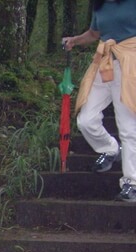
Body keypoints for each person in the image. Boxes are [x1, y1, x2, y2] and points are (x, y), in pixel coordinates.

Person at [62, 0, 136, 202]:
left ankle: (132, 183)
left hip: (130, 63)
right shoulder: (100, 5)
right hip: (104, 62)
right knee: (86, 119)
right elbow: (94, 34)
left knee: (128, 127)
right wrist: (74, 41)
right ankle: (111, 149)